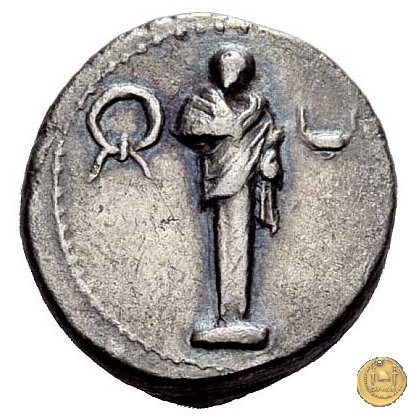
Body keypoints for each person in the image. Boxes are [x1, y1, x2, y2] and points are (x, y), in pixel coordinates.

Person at [174, 48, 284, 347]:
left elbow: (267, 147)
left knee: (238, 243)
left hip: (245, 183)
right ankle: (227, 318)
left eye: (235, 70)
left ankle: (234, 317)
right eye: (225, 69)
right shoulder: (202, 103)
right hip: (220, 180)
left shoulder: (258, 110)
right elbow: (188, 129)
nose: (230, 76)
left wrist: (270, 156)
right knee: (227, 242)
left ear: (245, 74)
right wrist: (227, 129)